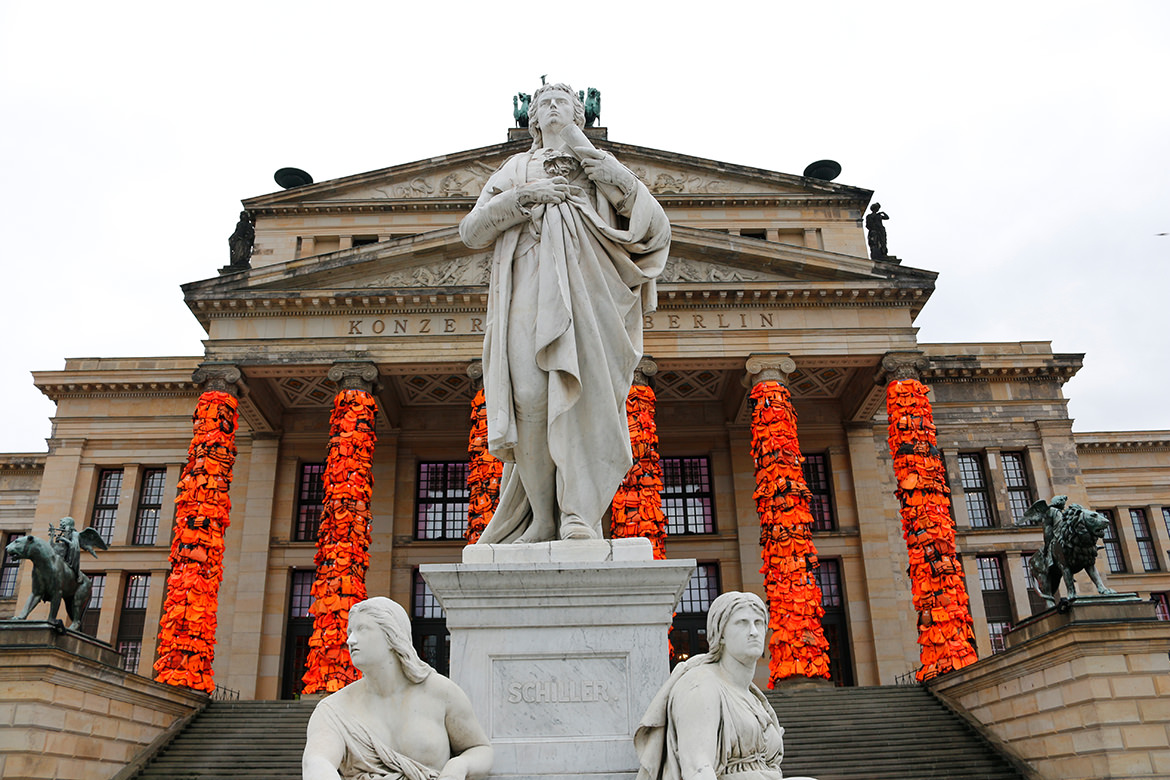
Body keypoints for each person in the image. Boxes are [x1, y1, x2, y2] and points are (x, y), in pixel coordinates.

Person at [460, 83, 670, 543]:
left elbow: (655, 229)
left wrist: (606, 171)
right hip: (529, 288)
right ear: (532, 119)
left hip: (590, 295)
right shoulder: (517, 168)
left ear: (579, 114)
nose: (552, 108)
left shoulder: (599, 167)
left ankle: (579, 513)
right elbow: (472, 231)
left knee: (585, 400)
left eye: (563, 103)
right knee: (530, 398)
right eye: (544, 104)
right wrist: (525, 198)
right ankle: (543, 517)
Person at [302, 597, 493, 780]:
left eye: (362, 629)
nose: (351, 640)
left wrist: (458, 766)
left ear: (392, 636)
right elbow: (317, 761)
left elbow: (480, 748)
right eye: (350, 631)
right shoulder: (334, 710)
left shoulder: (441, 692)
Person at [635, 592, 815, 780]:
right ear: (720, 635)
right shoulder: (700, 685)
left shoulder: (753, 696)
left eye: (759, 623)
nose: (753, 631)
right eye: (742, 623)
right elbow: (697, 769)